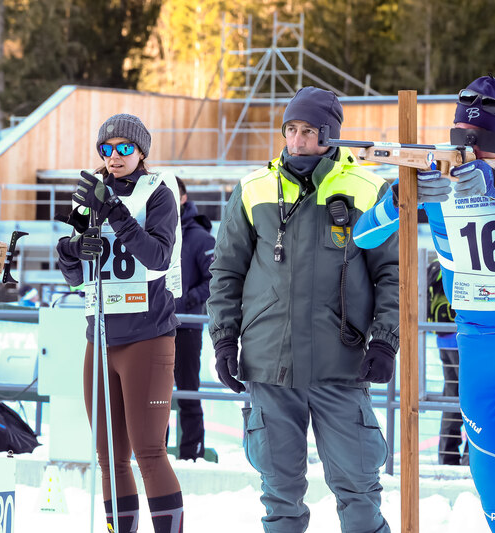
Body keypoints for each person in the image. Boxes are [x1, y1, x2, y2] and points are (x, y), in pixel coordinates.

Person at [353, 75, 495, 532]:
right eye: (464, 140)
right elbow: (362, 236)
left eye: (485, 145)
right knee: (488, 471)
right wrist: (400, 199)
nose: (473, 154)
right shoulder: (433, 163)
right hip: (477, 339)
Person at [207, 87, 399, 533]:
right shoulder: (253, 189)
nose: (296, 141)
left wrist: (385, 342)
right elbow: (226, 272)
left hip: (342, 364)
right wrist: (223, 340)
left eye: (308, 131)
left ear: (330, 135)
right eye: (290, 130)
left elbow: (393, 274)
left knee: (359, 487)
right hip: (270, 365)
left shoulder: (369, 189)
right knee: (279, 492)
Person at [55, 113, 184, 533]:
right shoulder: (89, 194)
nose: (114, 156)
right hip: (100, 337)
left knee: (149, 452)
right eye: (106, 148)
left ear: (141, 151)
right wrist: (72, 251)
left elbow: (158, 257)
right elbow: (75, 278)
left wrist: (115, 213)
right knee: (109, 457)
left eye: (124, 148)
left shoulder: (157, 192)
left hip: (147, 336)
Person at [172, 176, 215, 461]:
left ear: (184, 198)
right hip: (153, 326)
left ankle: (191, 454)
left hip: (186, 326)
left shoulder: (200, 238)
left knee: (188, 391)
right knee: (153, 397)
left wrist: (187, 300)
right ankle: (152, 452)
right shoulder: (152, 232)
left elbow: (216, 279)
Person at [427, 258, 469, 466]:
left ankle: (447, 456)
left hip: (443, 339)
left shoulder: (438, 263)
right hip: (465, 339)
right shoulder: (464, 260)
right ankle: (472, 459)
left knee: (452, 396)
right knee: (475, 398)